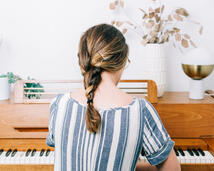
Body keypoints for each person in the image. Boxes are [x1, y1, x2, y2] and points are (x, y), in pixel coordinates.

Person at [46, 23, 180, 171]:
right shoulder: (140, 110)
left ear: (83, 60)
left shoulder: (59, 104)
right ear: (122, 62)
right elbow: (172, 168)